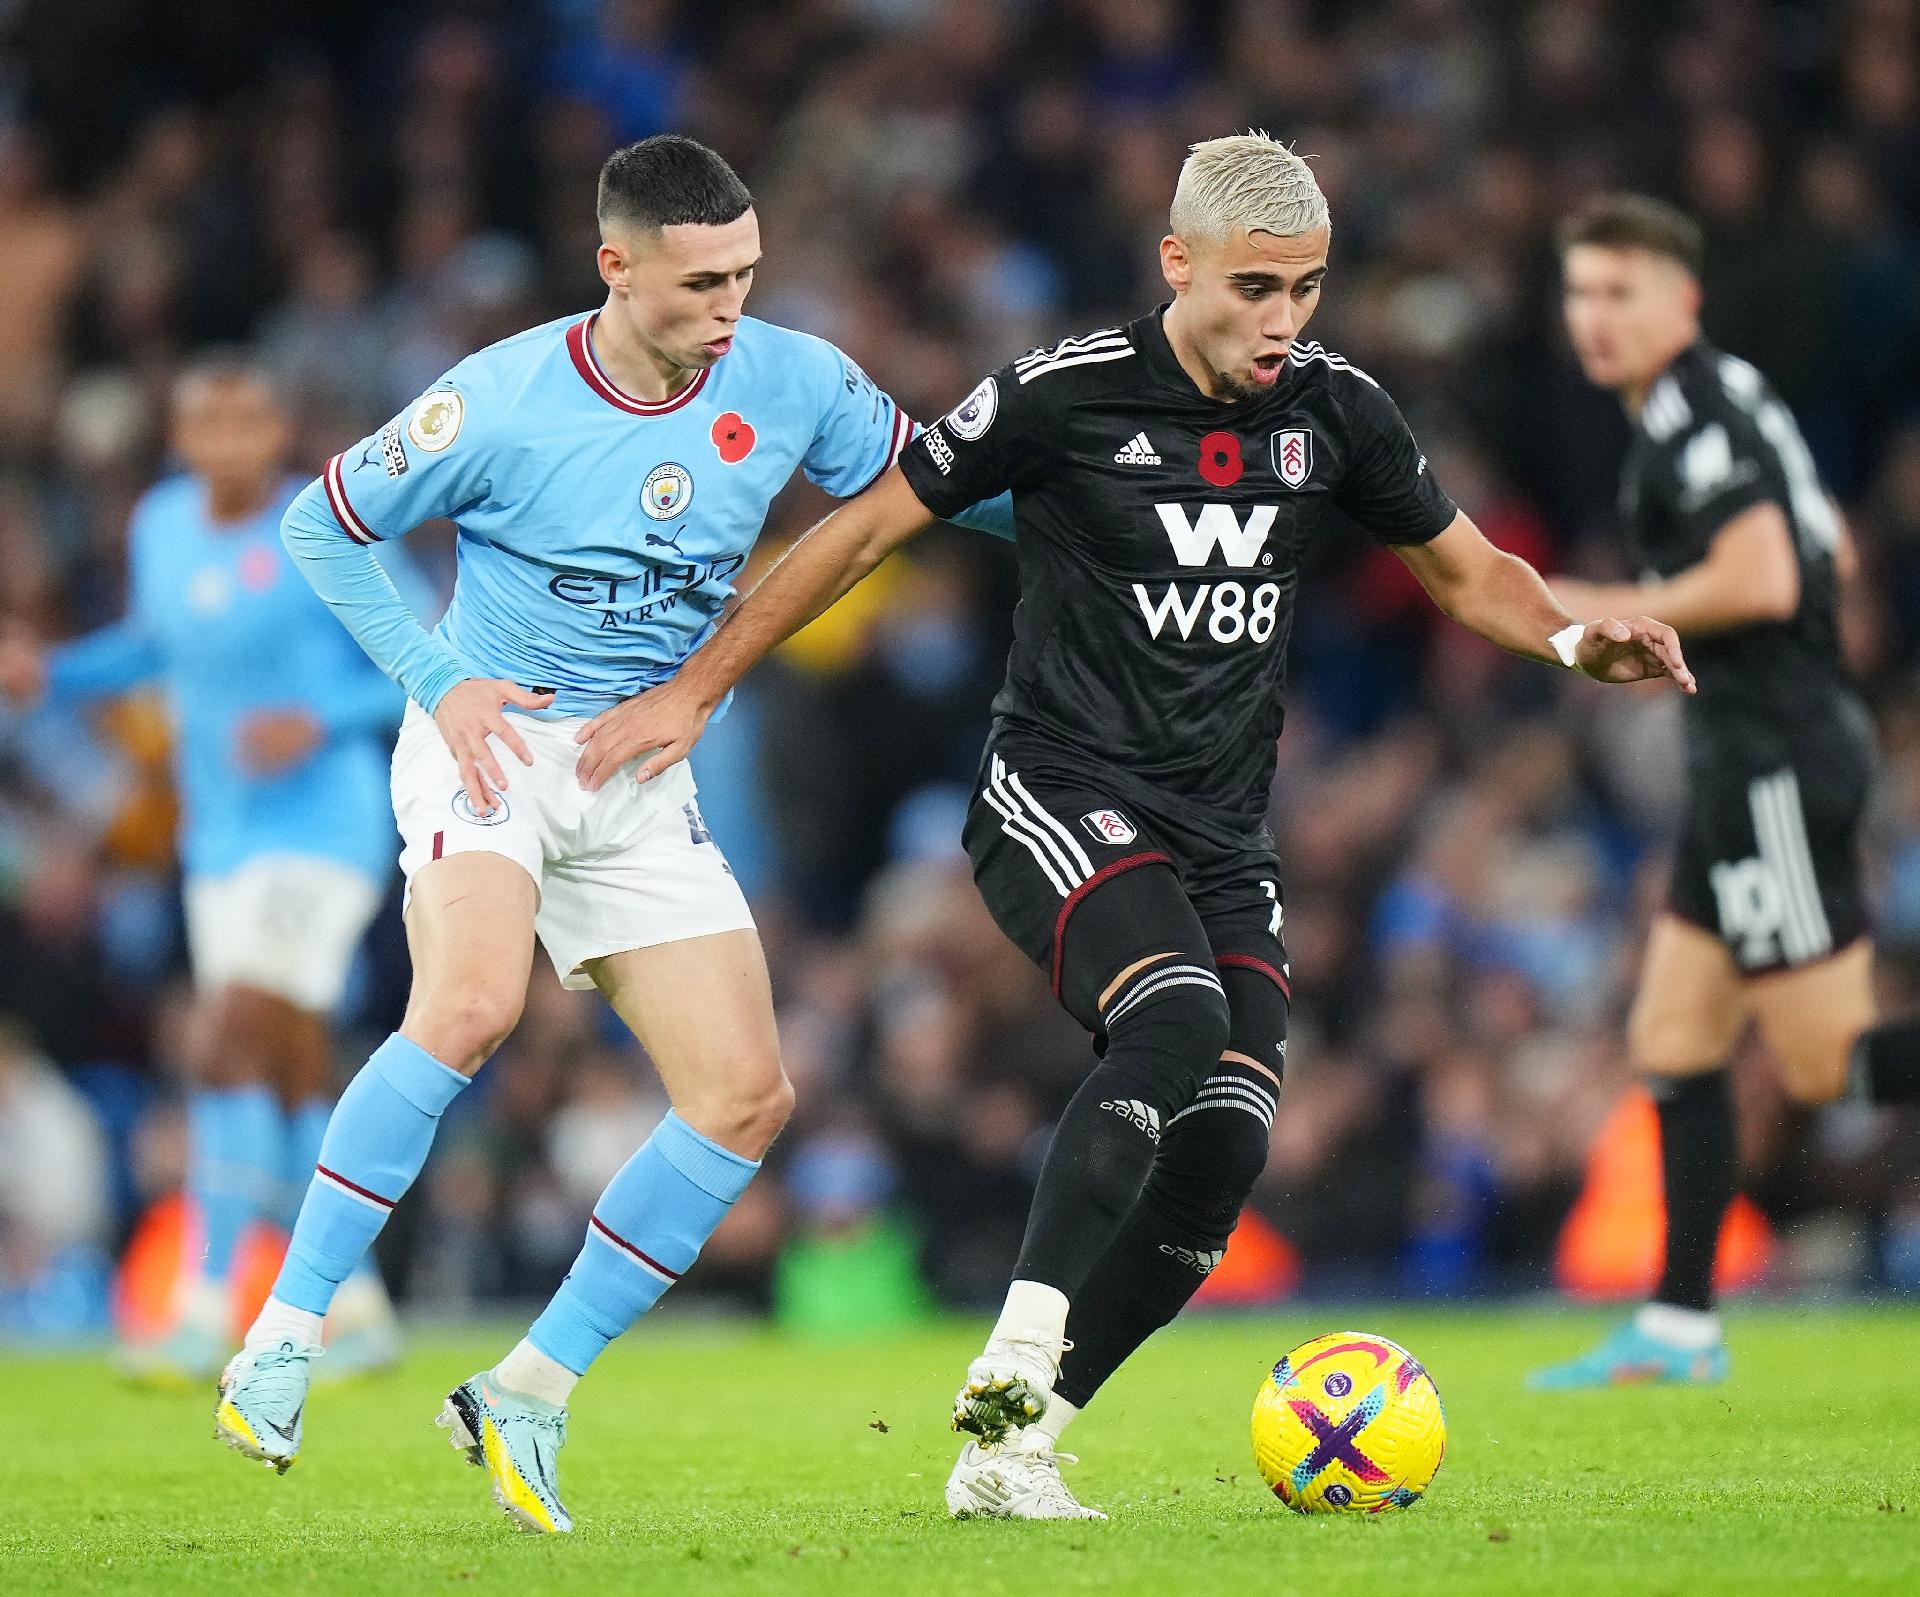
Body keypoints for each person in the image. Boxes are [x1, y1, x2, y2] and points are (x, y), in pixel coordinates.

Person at [573, 132, 1694, 1519]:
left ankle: (1018, 1441)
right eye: (1257, 287)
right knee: (1172, 1017)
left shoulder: (1337, 413)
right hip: (1053, 786)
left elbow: (1469, 575)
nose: (1285, 321)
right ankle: (1013, 1350)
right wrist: (694, 692)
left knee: (1227, 1134)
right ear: (1179, 263)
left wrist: (1583, 639)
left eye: (1309, 289)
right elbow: (863, 532)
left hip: (1221, 829)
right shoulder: (1065, 395)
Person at [210, 134, 1010, 1534]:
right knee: (467, 1005)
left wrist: (1109, 508)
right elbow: (321, 524)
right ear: (616, 266)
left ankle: (528, 1386)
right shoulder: (503, 400)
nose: (730, 308)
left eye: (748, 275)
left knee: (746, 1097)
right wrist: (441, 680)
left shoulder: (793, 379)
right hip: (499, 742)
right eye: (702, 281)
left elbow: (941, 482)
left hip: (641, 766)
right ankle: (286, 1330)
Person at [1530, 194, 1920, 1390]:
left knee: (1823, 1068)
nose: (1596, 318)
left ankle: (1683, 1322)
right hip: (1739, 760)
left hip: (1773, 767)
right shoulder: (1728, 397)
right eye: (1582, 291)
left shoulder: (1697, 416)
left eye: (1622, 292)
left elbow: (1760, 574)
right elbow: (1829, 552)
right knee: (1674, 1037)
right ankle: (1682, 1325)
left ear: (1682, 300)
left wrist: (1602, 601)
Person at [0, 358, 414, 1382]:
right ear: (181, 439)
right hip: (221, 836)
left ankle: (203, 1301)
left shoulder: (325, 527)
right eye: (207, 424)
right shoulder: (162, 525)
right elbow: (154, 647)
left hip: (324, 826)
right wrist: (50, 672)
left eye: (248, 421)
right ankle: (355, 1306)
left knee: (226, 1037)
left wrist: (317, 720)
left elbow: (423, 658)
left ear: (278, 431)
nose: (229, 442)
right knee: (282, 1063)